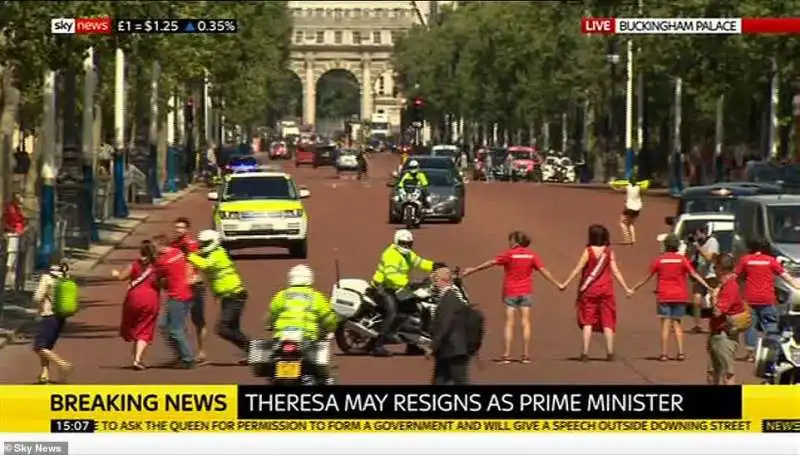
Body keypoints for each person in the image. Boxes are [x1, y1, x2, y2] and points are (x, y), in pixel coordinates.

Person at [462, 231, 561, 364]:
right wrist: (557, 283)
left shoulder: (509, 254)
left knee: (509, 323)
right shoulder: (532, 255)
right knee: (526, 322)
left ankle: (506, 355)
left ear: (515, 241)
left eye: (510, 240)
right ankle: (525, 355)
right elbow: (544, 270)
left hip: (511, 292)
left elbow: (491, 262)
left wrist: (473, 269)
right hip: (526, 291)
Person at [630, 234, 712, 361]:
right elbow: (694, 274)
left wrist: (633, 289)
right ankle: (680, 352)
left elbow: (646, 277)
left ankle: (664, 354)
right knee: (677, 324)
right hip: (679, 296)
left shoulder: (660, 260)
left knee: (665, 325)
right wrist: (708, 286)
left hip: (664, 296)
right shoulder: (682, 259)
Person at [560, 224, 632, 362]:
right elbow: (615, 271)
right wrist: (626, 287)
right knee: (608, 321)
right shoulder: (609, 251)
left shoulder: (588, 251)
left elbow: (578, 268)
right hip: (606, 290)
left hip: (589, 290)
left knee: (587, 321)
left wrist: (565, 283)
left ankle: (585, 353)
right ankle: (610, 352)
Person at [370, 229, 436, 357]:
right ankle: (378, 346)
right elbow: (391, 276)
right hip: (382, 289)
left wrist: (436, 266)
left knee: (413, 310)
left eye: (408, 244)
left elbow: (420, 262)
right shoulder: (390, 254)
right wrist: (408, 283)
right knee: (392, 312)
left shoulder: (408, 254)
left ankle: (412, 345)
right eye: (403, 243)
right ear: (396, 242)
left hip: (397, 288)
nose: (406, 246)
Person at [187, 230, 251, 362]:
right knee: (233, 329)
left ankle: (254, 349)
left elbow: (205, 264)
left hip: (235, 296)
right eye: (202, 243)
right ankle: (253, 353)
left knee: (222, 328)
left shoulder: (218, 253)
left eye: (205, 243)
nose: (202, 245)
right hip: (228, 297)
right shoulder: (210, 253)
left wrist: (188, 255)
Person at [268, 265, 338, 383]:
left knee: (272, 367)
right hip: (307, 337)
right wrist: (331, 328)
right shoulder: (316, 297)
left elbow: (272, 314)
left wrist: (270, 324)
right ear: (310, 279)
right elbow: (328, 318)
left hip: (281, 338)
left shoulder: (282, 295)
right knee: (318, 369)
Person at [735, 237, 800, 362]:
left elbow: (737, 277)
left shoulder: (746, 260)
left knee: (750, 326)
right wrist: (797, 286)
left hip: (750, 298)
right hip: (767, 298)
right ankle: (772, 352)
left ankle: (750, 353)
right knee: (770, 325)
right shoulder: (770, 261)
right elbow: (785, 276)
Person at [112, 240, 160, 370]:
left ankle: (136, 357)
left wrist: (116, 274)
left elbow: (121, 277)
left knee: (133, 326)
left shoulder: (133, 265)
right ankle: (137, 359)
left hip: (132, 299)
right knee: (144, 330)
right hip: (150, 299)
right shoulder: (157, 266)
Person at [152, 234, 195, 369]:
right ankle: (180, 354)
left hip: (177, 296)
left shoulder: (162, 261)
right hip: (186, 293)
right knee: (164, 325)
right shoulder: (178, 252)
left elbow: (155, 278)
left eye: (154, 247)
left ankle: (188, 358)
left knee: (175, 329)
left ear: (159, 246)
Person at [172, 217, 208, 364]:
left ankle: (201, 350)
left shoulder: (192, 244)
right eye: (177, 227)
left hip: (194, 286)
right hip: (179, 287)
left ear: (187, 229)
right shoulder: (173, 245)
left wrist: (195, 277)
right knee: (178, 322)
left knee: (198, 321)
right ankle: (183, 352)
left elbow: (200, 263)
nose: (178, 230)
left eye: (181, 228)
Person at [32, 261, 73, 383]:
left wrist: (38, 307)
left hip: (48, 315)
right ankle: (45, 374)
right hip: (61, 316)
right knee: (47, 347)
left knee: (39, 347)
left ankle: (63, 364)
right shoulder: (65, 277)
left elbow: (37, 297)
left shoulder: (47, 278)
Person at [430, 267, 472, 385]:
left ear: (443, 280)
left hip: (454, 349)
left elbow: (444, 325)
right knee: (439, 380)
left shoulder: (449, 298)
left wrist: (433, 346)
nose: (434, 283)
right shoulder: (450, 296)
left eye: (435, 280)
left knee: (460, 381)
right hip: (449, 349)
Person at [707, 254, 745, 385]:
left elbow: (718, 311)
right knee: (712, 372)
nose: (714, 270)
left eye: (715, 267)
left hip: (724, 337)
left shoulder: (730, 287)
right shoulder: (725, 285)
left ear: (721, 269)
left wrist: (714, 297)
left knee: (727, 374)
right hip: (717, 334)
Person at [687, 225, 720, 333]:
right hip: (700, 276)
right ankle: (698, 325)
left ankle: (717, 324)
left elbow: (709, 257)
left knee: (714, 300)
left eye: (697, 234)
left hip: (712, 275)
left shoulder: (712, 242)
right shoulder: (697, 244)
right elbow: (690, 259)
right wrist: (691, 249)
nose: (696, 236)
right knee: (696, 301)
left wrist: (698, 247)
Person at [610, 177, 649, 245]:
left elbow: (617, 189)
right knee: (631, 224)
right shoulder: (639, 187)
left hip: (629, 207)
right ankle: (633, 239)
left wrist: (611, 184)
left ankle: (627, 239)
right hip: (638, 208)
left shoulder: (627, 186)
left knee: (622, 223)